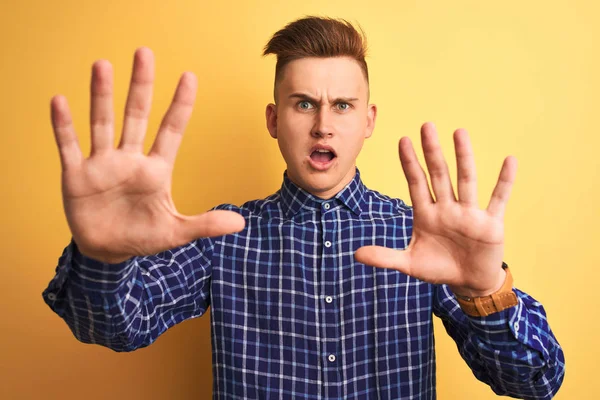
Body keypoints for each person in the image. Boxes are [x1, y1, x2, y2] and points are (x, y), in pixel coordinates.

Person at [42, 16, 565, 399]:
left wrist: (487, 292)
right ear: (274, 119)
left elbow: (539, 382)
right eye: (303, 104)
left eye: (342, 105)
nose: (322, 125)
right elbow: (112, 328)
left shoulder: (422, 237)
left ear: (368, 121)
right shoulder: (224, 234)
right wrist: (102, 258)